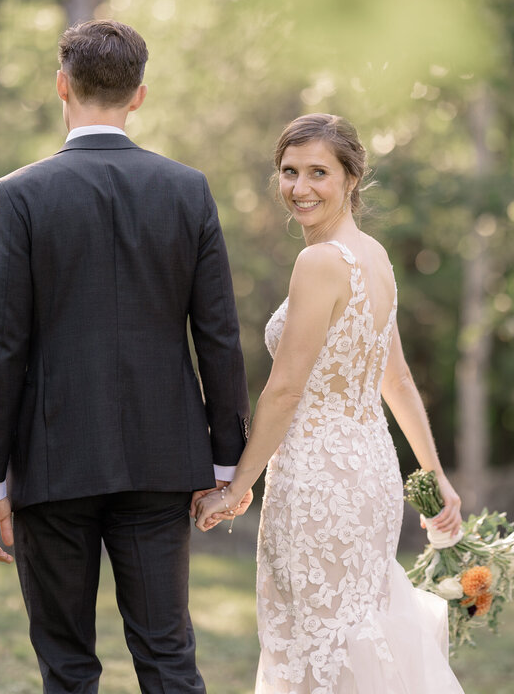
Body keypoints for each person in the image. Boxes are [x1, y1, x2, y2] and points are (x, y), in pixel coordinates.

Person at [0, 19, 253, 694]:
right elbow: (218, 334)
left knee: (66, 666)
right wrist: (224, 461)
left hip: (53, 460)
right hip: (161, 462)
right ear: (139, 95)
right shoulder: (187, 189)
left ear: (61, 87)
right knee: (166, 655)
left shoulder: (21, 194)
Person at [194, 113, 465, 693]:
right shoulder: (375, 256)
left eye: (319, 172)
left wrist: (237, 487)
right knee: (355, 631)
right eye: (289, 172)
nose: (300, 187)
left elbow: (286, 389)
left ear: (350, 179)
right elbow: (398, 382)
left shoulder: (319, 262)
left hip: (318, 481)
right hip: (369, 474)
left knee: (318, 645)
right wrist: (432, 474)